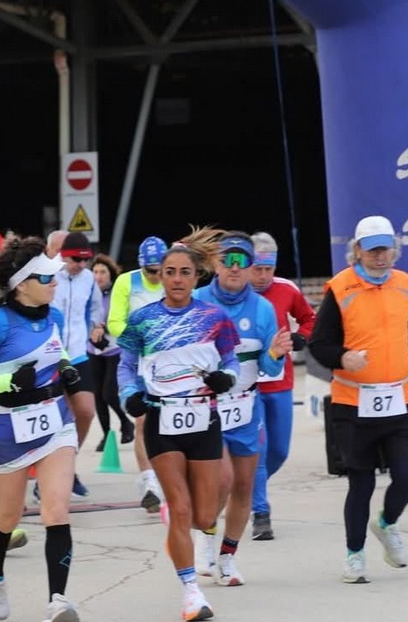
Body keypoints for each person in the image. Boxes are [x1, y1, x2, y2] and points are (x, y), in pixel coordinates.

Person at [309, 215, 408, 585]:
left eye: (385, 249)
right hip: (354, 402)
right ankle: (354, 556)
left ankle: (386, 523)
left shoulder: (405, 284)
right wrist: (343, 358)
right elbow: (319, 344)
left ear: (394, 250)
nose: (379, 256)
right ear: (357, 251)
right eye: (372, 250)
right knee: (361, 483)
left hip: (399, 398)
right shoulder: (340, 289)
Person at [116, 230, 241, 622]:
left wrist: (226, 378)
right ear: (161, 275)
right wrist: (129, 395)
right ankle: (191, 594)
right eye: (169, 272)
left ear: (197, 276)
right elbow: (125, 366)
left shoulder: (215, 318)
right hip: (162, 420)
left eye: (184, 272)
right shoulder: (142, 320)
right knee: (182, 509)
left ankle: (185, 533)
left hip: (204, 420)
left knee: (205, 516)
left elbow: (231, 361)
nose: (176, 279)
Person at [0, 236, 83, 622]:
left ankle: (57, 600)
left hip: (54, 420)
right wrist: (9, 381)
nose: (55, 282)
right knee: (7, 518)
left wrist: (66, 366)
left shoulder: (55, 316)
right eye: (46, 278)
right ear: (22, 284)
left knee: (56, 510)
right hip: (8, 427)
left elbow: (56, 349)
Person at [192, 233, 289, 586]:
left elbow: (270, 368)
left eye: (242, 262)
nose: (235, 268)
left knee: (245, 485)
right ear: (216, 265)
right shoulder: (198, 301)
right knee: (223, 479)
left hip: (247, 407)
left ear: (251, 268)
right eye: (228, 261)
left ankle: (227, 558)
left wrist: (275, 353)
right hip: (206, 408)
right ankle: (204, 537)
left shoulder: (262, 309)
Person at [247, 231, 316, 541]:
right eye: (257, 268)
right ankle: (261, 513)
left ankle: (247, 487)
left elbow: (310, 319)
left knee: (278, 451)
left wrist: (301, 337)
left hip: (280, 381)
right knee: (259, 451)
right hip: (248, 385)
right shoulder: (235, 292)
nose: (263, 276)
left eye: (268, 269)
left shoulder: (286, 289)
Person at [107, 236, 168, 514]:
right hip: (139, 361)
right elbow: (115, 322)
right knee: (142, 421)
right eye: (150, 271)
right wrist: (141, 339)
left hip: (169, 363)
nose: (156, 276)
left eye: (160, 270)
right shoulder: (126, 282)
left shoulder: (173, 278)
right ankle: (149, 483)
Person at [47, 231, 103, 498]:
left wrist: (96, 326)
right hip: (51, 356)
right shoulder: (48, 273)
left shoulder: (88, 278)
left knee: (86, 412)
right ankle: (51, 473)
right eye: (75, 260)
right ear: (63, 256)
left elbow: (94, 309)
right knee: (58, 418)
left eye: (85, 260)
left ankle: (67, 465)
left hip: (78, 354)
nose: (81, 265)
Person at [88, 254, 133, 449]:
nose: (98, 276)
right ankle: (106, 434)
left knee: (109, 394)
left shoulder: (117, 293)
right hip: (93, 350)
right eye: (95, 272)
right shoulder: (88, 293)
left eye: (103, 272)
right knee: (97, 395)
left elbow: (122, 318)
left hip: (114, 350)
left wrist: (104, 327)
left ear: (111, 274)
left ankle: (125, 422)